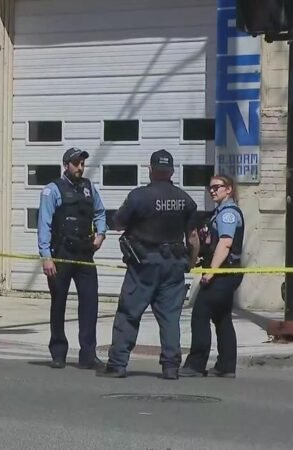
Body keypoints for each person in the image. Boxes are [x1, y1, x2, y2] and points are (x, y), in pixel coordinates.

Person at [99, 149, 200, 380]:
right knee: (170, 318)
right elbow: (193, 237)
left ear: (150, 169)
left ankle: (117, 364)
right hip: (173, 264)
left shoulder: (139, 197)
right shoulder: (185, 199)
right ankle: (171, 367)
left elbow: (118, 224)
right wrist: (191, 262)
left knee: (129, 313)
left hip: (143, 265)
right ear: (172, 171)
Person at [37, 147, 107, 369]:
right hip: (62, 254)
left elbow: (100, 212)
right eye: (76, 163)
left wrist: (101, 234)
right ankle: (58, 352)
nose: (80, 167)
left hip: (85, 253)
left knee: (90, 303)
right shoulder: (52, 190)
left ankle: (88, 355)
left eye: (82, 163)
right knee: (59, 303)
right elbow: (44, 224)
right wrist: (46, 257)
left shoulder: (88, 187)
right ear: (66, 165)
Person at [179, 174, 244, 378]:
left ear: (229, 189)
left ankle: (196, 364)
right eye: (211, 188)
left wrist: (211, 271)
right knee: (222, 317)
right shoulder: (219, 212)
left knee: (200, 314)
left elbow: (225, 243)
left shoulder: (228, 214)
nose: (213, 191)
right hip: (225, 272)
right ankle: (226, 366)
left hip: (223, 273)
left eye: (217, 187)